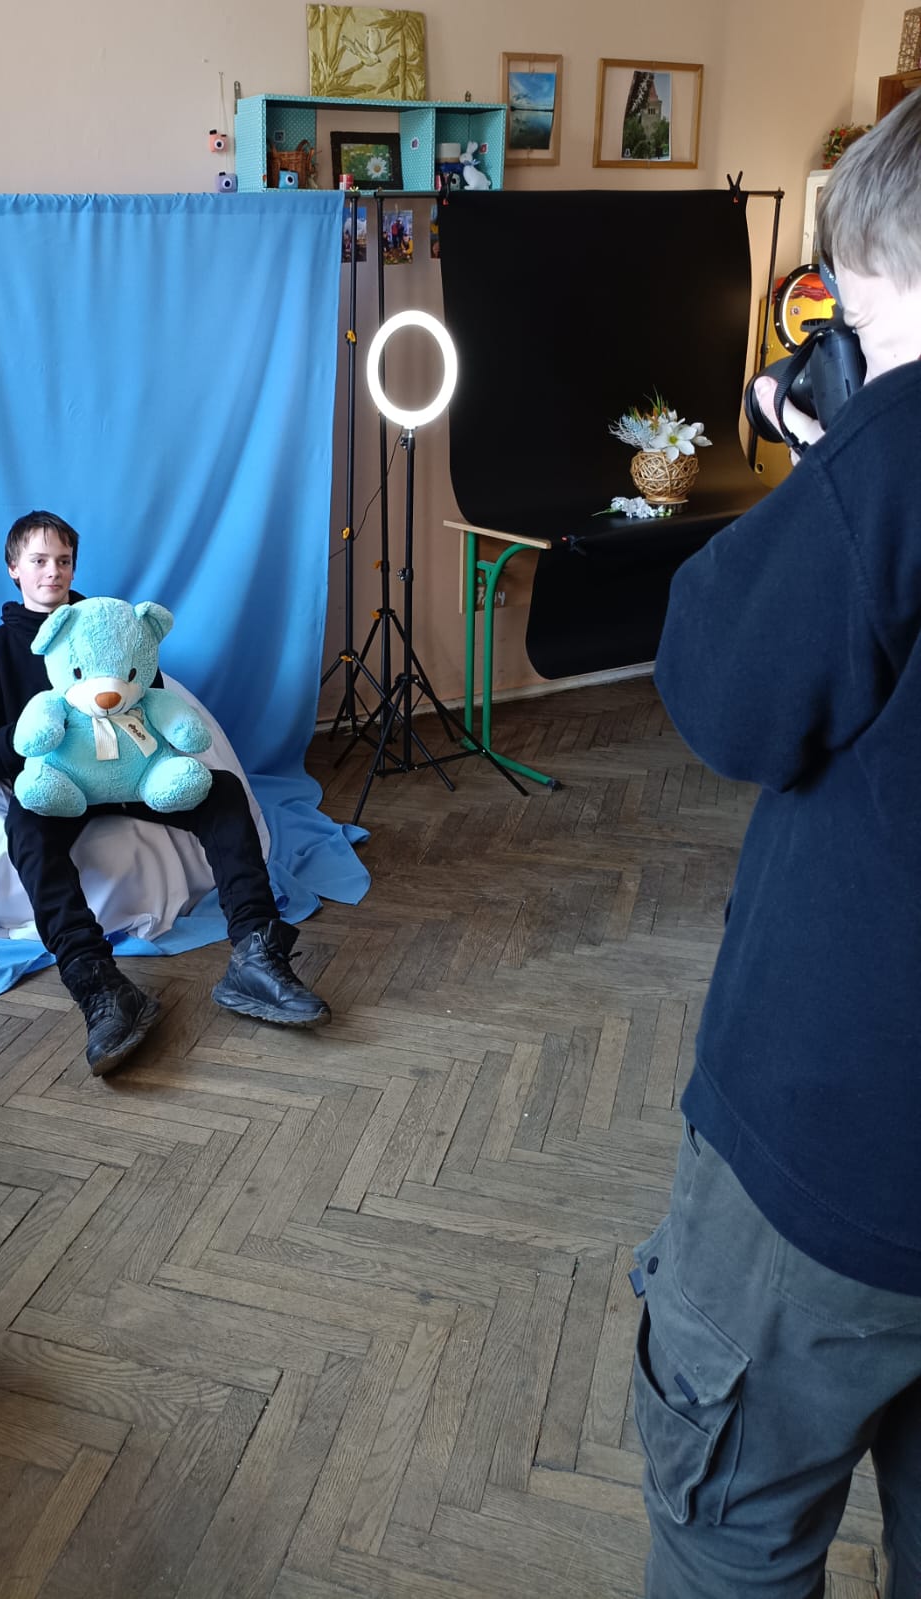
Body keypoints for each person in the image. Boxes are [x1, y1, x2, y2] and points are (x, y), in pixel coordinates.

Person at [633, 92, 921, 1598]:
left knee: (729, 1535)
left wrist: (846, 453)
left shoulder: (896, 449)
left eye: (857, 323)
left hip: (843, 1147)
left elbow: (725, 690)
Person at [0, 509, 330, 1075]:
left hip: (131, 776)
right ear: (13, 568)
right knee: (26, 823)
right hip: (64, 786)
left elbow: (149, 699)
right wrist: (33, 737)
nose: (53, 572)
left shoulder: (110, 627)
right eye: (39, 560)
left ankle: (256, 953)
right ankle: (98, 984)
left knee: (222, 791)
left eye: (63, 560)